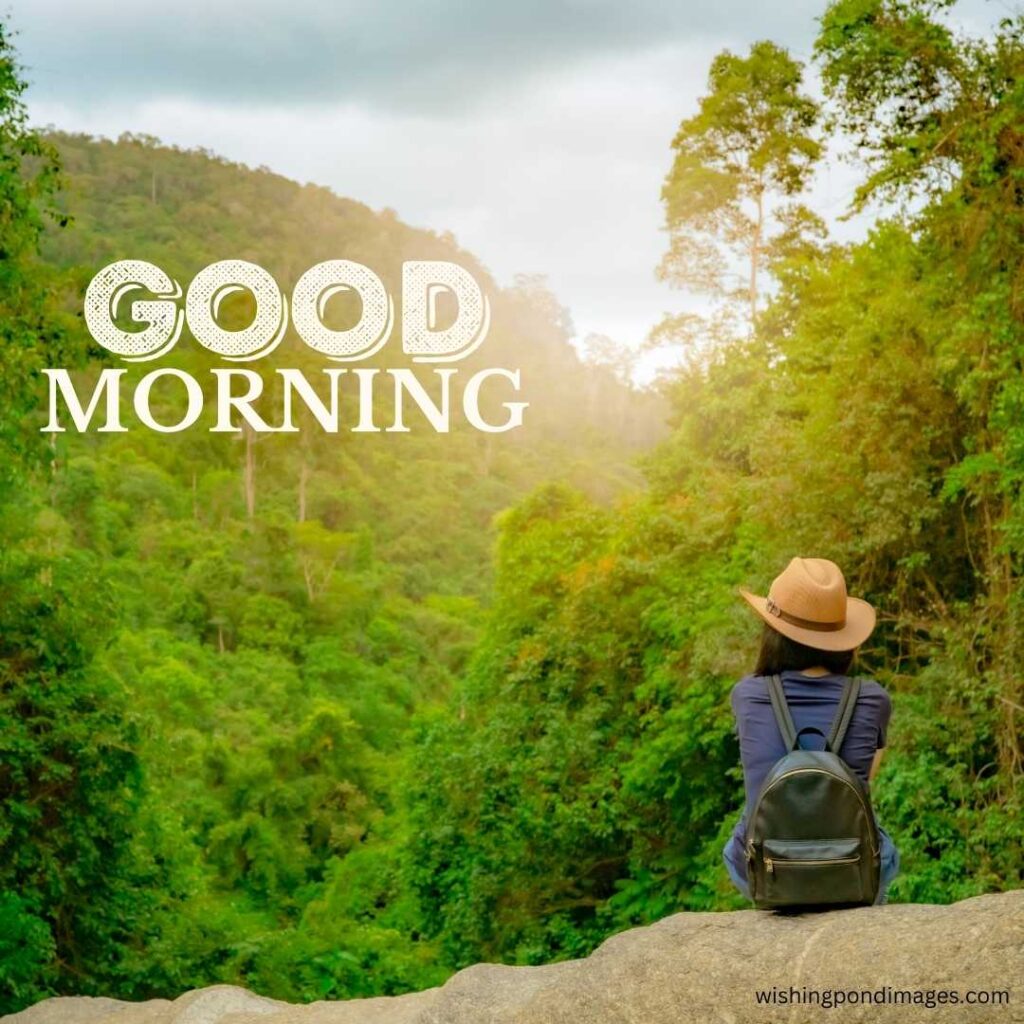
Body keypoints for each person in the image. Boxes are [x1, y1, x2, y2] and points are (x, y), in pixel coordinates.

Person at [722, 556, 900, 905]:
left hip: (765, 866)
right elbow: (863, 777)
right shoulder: (873, 699)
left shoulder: (747, 695)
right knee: (886, 849)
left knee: (735, 847)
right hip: (851, 865)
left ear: (773, 634)